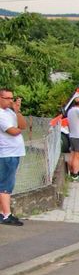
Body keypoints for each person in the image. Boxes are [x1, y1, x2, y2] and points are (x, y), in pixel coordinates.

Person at [0, 88, 28, 226]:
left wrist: (17, 111)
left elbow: (23, 126)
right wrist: (18, 129)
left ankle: (2, 213)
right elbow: (13, 131)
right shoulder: (0, 114)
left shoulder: (10, 112)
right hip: (7, 153)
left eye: (12, 98)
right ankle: (7, 214)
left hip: (15, 152)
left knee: (6, 183)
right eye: (7, 98)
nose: (11, 101)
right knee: (6, 185)